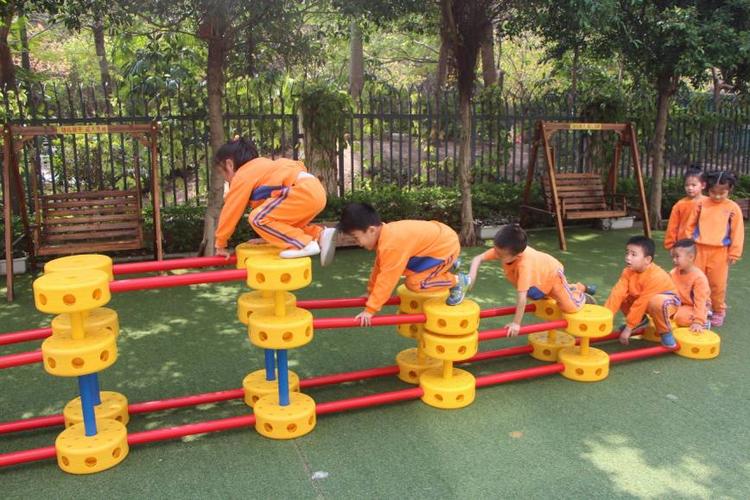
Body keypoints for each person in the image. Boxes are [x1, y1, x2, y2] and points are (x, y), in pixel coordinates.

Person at [337, 202, 470, 326]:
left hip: (445, 247)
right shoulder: (386, 235)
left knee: (415, 283)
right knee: (406, 268)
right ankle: (447, 264)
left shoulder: (391, 245)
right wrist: (370, 292)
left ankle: (458, 281)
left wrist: (370, 309)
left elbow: (387, 279)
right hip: (437, 241)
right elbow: (379, 268)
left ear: (371, 230)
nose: (358, 243)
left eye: (356, 238)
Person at [213, 137, 337, 265]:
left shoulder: (242, 175)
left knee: (257, 218)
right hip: (315, 189)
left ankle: (303, 244)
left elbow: (231, 211)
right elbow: (273, 218)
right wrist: (269, 237)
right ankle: (321, 235)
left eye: (223, 173)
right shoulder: (263, 169)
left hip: (300, 191)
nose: (225, 179)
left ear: (229, 165)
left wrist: (220, 244)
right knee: (285, 224)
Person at [467, 224, 595, 337]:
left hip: (552, 276)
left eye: (500, 255)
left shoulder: (524, 265)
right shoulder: (502, 250)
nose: (495, 254)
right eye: (495, 250)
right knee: (537, 295)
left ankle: (580, 292)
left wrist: (516, 324)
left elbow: (521, 297)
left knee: (570, 308)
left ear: (517, 255)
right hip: (538, 283)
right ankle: (571, 287)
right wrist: (470, 279)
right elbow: (477, 259)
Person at [684, 170, 744, 327]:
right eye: (713, 192)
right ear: (707, 188)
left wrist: (735, 253)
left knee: (717, 284)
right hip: (698, 249)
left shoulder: (733, 208)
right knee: (695, 280)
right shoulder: (701, 204)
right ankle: (699, 308)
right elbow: (690, 225)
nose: (717, 196)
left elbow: (737, 231)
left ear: (730, 190)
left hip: (720, 252)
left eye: (722, 193)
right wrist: (687, 244)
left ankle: (718, 310)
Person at [604, 236, 680, 348]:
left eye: (633, 254)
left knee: (656, 302)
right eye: (627, 253)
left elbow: (642, 302)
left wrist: (629, 328)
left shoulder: (656, 276)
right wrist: (605, 317)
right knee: (622, 295)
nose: (628, 258)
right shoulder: (627, 272)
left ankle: (665, 332)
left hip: (668, 303)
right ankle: (641, 320)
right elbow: (617, 293)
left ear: (647, 260)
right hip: (646, 302)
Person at [669, 239, 711, 332]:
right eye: (673, 257)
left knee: (681, 318)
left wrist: (698, 321)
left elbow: (700, 301)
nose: (674, 260)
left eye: (677, 257)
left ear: (690, 257)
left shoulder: (699, 278)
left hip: (695, 306)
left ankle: (705, 319)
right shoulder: (673, 273)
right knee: (660, 309)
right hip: (680, 304)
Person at [664, 165, 705, 250]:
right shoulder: (679, 205)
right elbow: (672, 227)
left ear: (703, 185)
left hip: (703, 245)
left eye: (693, 185)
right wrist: (671, 245)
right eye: (687, 185)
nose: (690, 188)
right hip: (684, 245)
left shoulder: (709, 204)